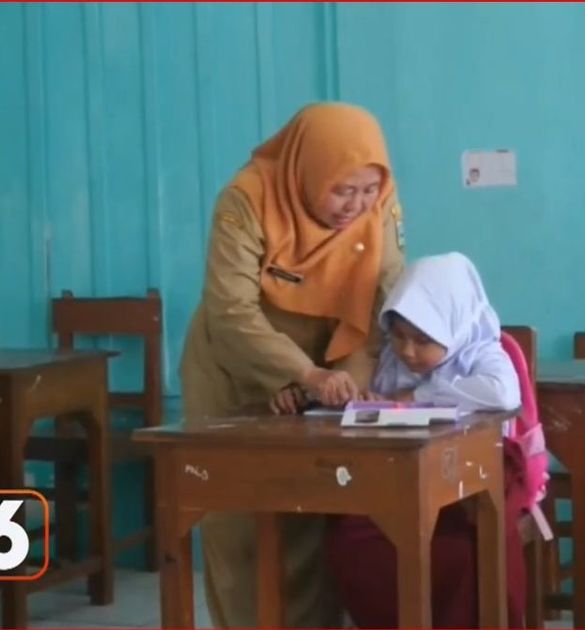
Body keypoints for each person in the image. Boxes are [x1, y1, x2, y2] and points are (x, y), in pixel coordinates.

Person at [179, 102, 406, 628]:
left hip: (329, 365)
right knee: (238, 521)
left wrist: (344, 382)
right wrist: (296, 375)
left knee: (313, 508)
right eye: (341, 190)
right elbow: (230, 311)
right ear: (308, 170)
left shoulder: (381, 201)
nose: (356, 205)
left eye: (366, 191)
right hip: (235, 368)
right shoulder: (248, 199)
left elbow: (383, 298)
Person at [314, 252, 532, 628]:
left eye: (422, 340)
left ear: (453, 327)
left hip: (465, 497)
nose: (408, 351)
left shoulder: (481, 353)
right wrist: (367, 402)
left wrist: (416, 398)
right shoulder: (392, 361)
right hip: (399, 488)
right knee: (349, 541)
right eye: (398, 337)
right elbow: (376, 403)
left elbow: (503, 395)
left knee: (462, 554)